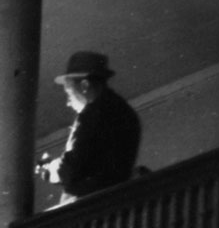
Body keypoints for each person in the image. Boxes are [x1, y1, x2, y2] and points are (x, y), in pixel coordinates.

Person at [37, 50, 141, 201]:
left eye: (69, 94)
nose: (68, 102)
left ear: (85, 85)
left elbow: (71, 169)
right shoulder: (124, 111)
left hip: (89, 205)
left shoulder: (92, 115)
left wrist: (50, 170)